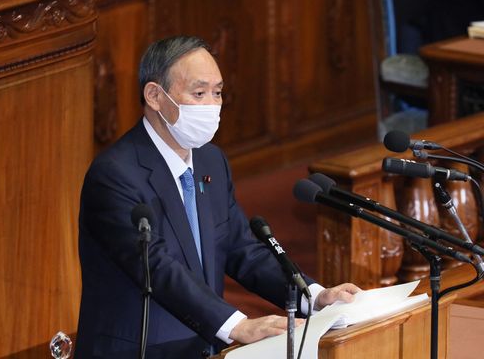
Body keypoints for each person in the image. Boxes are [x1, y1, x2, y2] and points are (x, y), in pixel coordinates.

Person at [74, 35, 360, 358]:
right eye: (199, 93)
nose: (212, 105)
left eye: (218, 92)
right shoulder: (114, 176)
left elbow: (242, 248)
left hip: (204, 348)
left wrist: (313, 296)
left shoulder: (211, 161)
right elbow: (157, 267)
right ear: (155, 96)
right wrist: (236, 325)